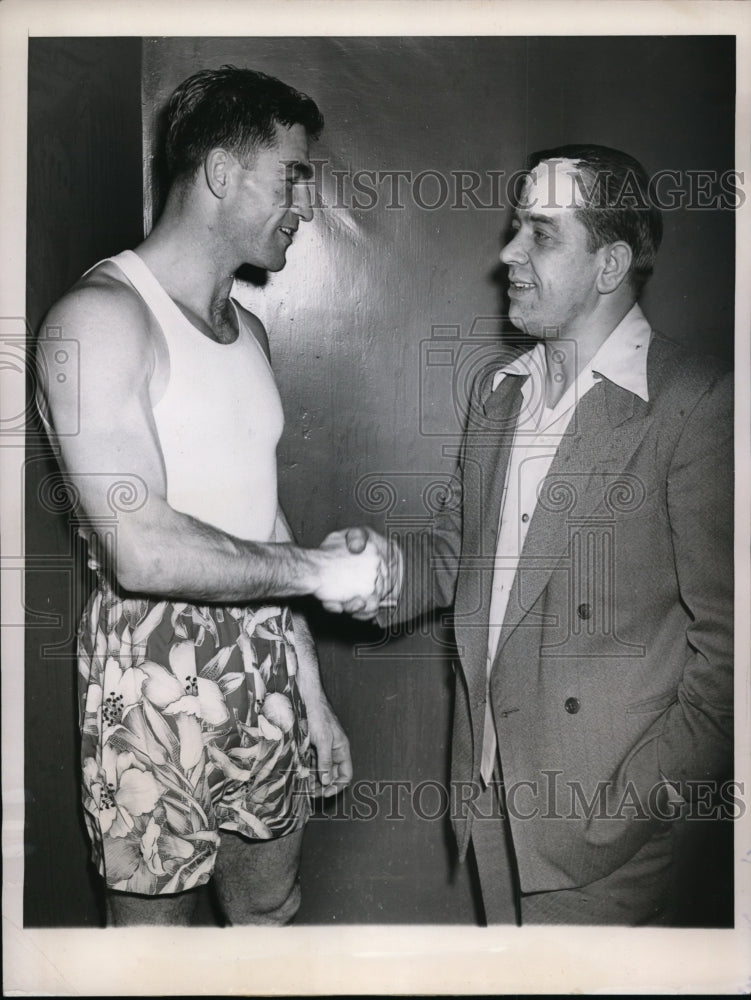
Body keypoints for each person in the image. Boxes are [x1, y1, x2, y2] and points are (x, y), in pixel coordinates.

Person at [329, 144, 734, 925]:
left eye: (540, 234)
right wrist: (377, 572)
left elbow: (731, 660)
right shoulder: (498, 391)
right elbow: (457, 554)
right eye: (516, 227)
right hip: (488, 803)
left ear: (609, 263)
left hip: (609, 844)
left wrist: (623, 811)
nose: (506, 254)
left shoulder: (695, 403)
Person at [35, 65, 389, 927]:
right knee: (152, 952)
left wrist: (309, 693)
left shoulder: (250, 331)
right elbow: (142, 548)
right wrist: (318, 570)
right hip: (151, 671)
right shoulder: (97, 320)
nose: (303, 204)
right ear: (221, 173)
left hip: (264, 659)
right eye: (290, 176)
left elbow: (260, 516)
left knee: (268, 911)